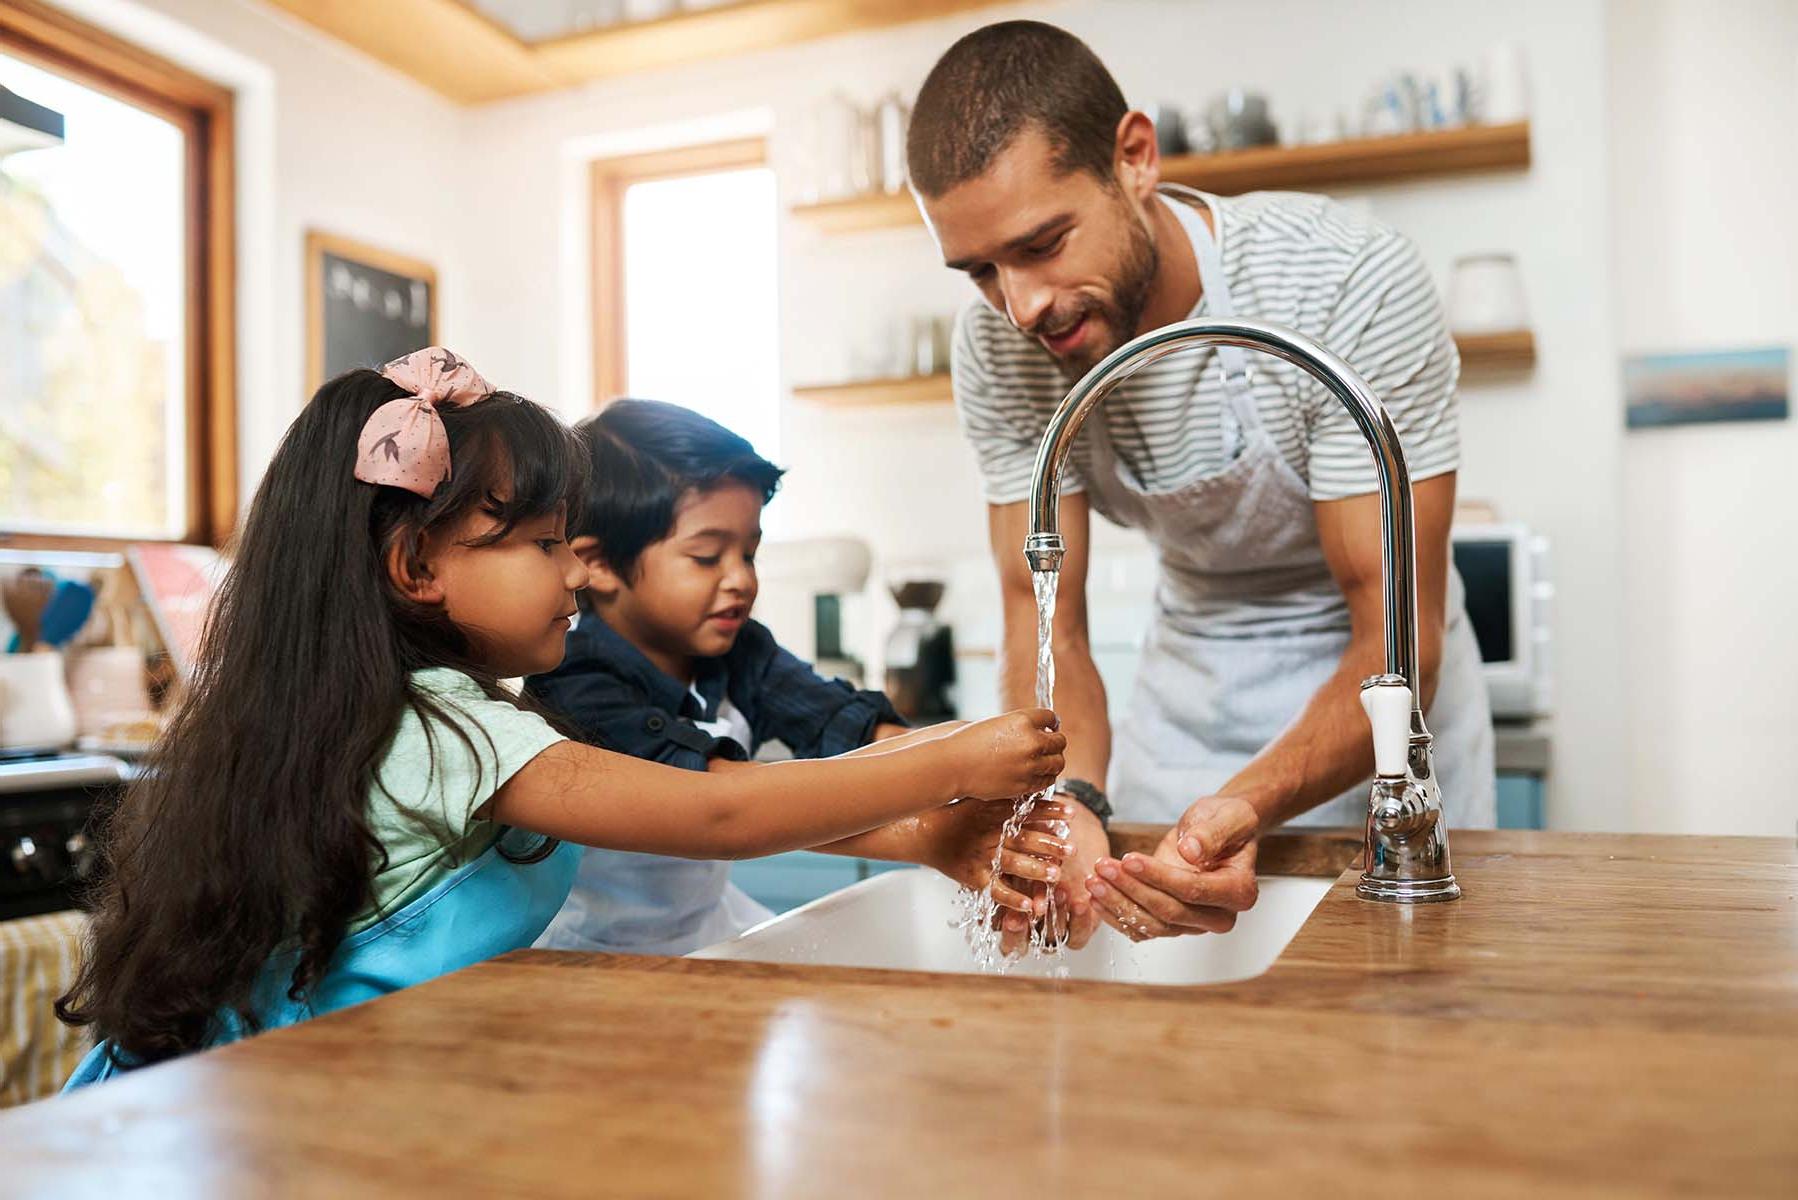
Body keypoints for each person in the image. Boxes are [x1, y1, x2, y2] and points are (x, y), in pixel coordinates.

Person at [56, 349, 1065, 1084]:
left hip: (298, 1086)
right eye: (544, 545)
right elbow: (713, 813)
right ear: (416, 569)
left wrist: (932, 827)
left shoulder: (381, 719)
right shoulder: (458, 733)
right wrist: (953, 759)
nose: (573, 571)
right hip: (291, 1098)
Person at [905, 21, 1496, 948]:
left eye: (1044, 244)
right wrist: (1067, 804)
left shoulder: (1342, 282)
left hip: (1385, 708)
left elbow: (1394, 633)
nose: (1020, 306)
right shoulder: (1002, 351)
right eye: (980, 272)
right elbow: (1044, 619)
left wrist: (1244, 804)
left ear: (1134, 158)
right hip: (1190, 691)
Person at [528, 399, 1075, 955]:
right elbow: (727, 805)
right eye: (707, 556)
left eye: (750, 553)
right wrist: (944, 795)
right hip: (588, 953)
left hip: (706, 928)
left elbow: (850, 731)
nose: (740, 579)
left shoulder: (737, 650)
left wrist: (983, 755)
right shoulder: (576, 677)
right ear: (594, 564)